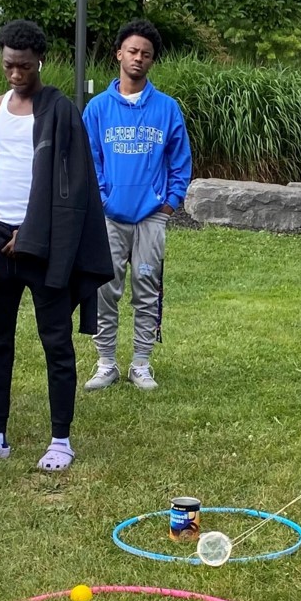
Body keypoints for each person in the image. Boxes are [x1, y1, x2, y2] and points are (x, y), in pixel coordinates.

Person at [0, 21, 114, 472]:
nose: (15, 74)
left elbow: (73, 185)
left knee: (56, 343)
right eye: (8, 65)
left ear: (38, 62)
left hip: (45, 244)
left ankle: (60, 440)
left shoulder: (60, 110)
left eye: (24, 66)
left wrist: (34, 232)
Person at [82, 20, 193, 393]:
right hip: (109, 219)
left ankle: (141, 363)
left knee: (147, 288)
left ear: (152, 61)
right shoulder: (97, 109)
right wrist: (102, 200)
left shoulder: (167, 109)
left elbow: (180, 162)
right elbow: (89, 158)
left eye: (146, 54)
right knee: (104, 290)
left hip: (150, 218)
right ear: (119, 54)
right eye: (132, 51)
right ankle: (106, 363)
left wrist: (170, 204)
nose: (138, 58)